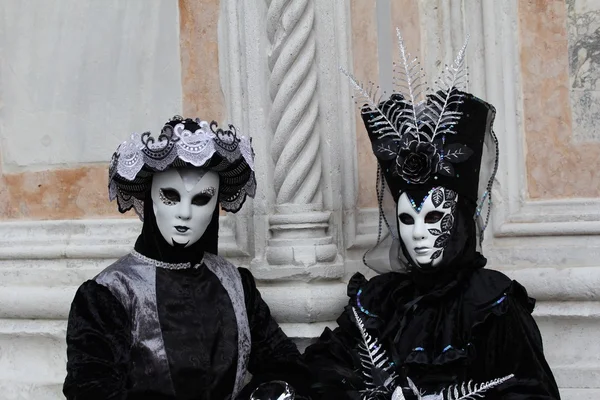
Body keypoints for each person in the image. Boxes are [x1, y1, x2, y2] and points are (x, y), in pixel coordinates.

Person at [302, 32, 561, 399]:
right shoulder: (379, 302)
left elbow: (530, 392)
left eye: (434, 218)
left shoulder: (490, 303)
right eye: (407, 220)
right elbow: (323, 370)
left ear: (459, 220)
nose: (418, 234)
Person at [63, 116, 310, 400]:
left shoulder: (236, 284)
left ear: (216, 205)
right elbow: (91, 389)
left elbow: (283, 362)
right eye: (170, 196)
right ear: (150, 197)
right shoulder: (109, 295)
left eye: (201, 199)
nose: (185, 213)